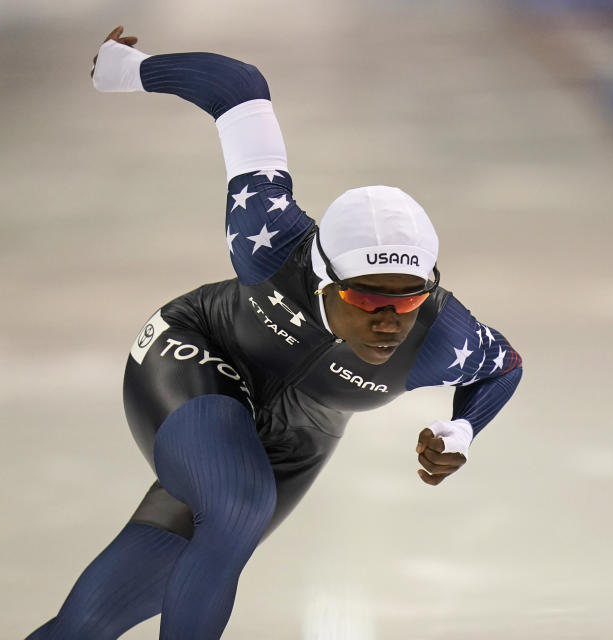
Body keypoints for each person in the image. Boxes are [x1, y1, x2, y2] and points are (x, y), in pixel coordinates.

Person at [26, 26, 523, 640]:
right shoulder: (271, 245)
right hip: (197, 355)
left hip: (294, 439)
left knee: (89, 623)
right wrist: (126, 69)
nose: (389, 318)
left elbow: (504, 367)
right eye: (366, 296)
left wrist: (464, 428)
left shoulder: (443, 336)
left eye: (410, 297)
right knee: (237, 504)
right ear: (321, 278)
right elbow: (238, 89)